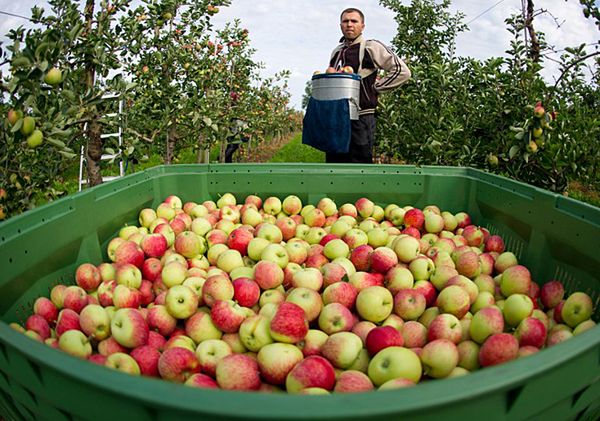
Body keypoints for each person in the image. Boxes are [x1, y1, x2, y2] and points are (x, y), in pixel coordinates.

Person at [326, 8, 411, 164]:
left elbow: (402, 71)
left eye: (354, 21)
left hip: (361, 117)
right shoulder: (336, 52)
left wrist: (376, 88)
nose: (349, 25)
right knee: (335, 165)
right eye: (345, 21)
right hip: (337, 118)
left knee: (359, 167)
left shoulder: (370, 47)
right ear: (340, 25)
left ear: (362, 26)